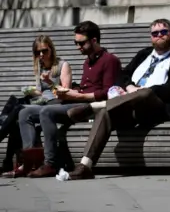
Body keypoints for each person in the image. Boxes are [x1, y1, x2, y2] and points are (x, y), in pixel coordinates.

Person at [62, 18, 170, 180]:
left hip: (157, 106)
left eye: (164, 32)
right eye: (155, 33)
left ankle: (94, 107)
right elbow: (123, 74)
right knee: (105, 114)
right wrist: (129, 87)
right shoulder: (143, 54)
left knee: (146, 93)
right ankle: (85, 165)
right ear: (151, 37)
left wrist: (146, 90)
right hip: (129, 105)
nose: (159, 36)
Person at [17, 21, 121, 178]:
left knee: (47, 111)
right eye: (75, 42)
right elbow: (85, 88)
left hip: (92, 106)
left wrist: (78, 95)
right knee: (25, 113)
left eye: (81, 43)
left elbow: (109, 92)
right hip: (77, 101)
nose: (78, 46)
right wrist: (70, 92)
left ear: (94, 40)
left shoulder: (110, 60)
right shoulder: (88, 62)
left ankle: (50, 163)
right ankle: (31, 162)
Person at [0, 35, 72, 176]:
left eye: (44, 51)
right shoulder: (40, 66)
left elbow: (65, 93)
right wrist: (33, 91)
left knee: (19, 109)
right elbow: (42, 93)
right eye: (37, 52)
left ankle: (11, 160)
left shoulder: (63, 65)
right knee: (16, 109)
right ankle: (24, 161)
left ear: (51, 49)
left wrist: (50, 82)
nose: (41, 55)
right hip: (42, 103)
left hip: (56, 105)